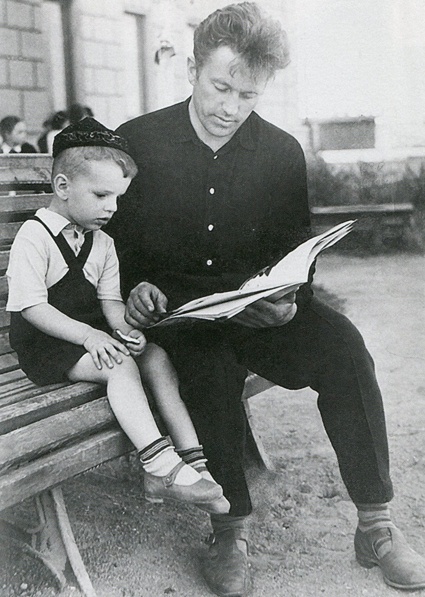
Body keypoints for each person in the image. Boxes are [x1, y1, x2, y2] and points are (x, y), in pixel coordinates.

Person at [108, 2, 425, 595]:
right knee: (206, 367)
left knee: (344, 346)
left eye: (248, 95)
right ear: (193, 70)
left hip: (256, 310)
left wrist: (289, 300)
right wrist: (133, 289)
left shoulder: (280, 152)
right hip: (180, 318)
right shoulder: (139, 142)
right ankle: (229, 531)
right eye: (220, 87)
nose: (230, 108)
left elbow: (295, 250)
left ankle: (376, 525)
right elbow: (111, 243)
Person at [6, 116, 230, 516]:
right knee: (120, 365)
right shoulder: (34, 237)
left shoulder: (103, 243)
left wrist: (127, 331)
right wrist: (90, 337)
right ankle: (158, 467)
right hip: (46, 346)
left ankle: (195, 463)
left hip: (89, 340)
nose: (111, 208)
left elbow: (110, 303)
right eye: (101, 195)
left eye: (117, 198)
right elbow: (31, 307)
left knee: (155, 356)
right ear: (63, 187)